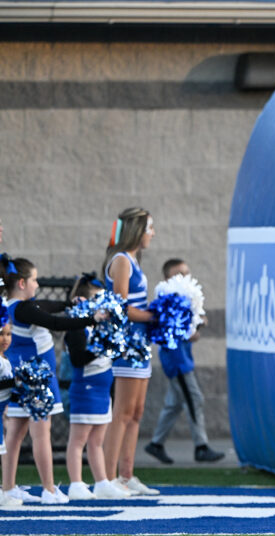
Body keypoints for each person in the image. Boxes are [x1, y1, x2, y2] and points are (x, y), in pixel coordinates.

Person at [0, 255, 104, 504]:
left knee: (14, 433)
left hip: (19, 375)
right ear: (22, 283)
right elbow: (55, 322)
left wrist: (69, 304)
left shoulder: (12, 306)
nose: (38, 285)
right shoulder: (25, 308)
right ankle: (48, 489)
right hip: (34, 377)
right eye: (35, 280)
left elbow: (46, 307)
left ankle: (8, 488)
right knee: (40, 432)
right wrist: (93, 318)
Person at [143, 259, 224, 465]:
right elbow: (168, 331)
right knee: (194, 398)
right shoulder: (166, 300)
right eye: (178, 274)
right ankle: (201, 446)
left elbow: (198, 319)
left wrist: (198, 324)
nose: (184, 278)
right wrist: (189, 333)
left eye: (186, 274)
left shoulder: (185, 298)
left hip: (184, 358)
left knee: (174, 403)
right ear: (167, 279)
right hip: (177, 361)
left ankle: (156, 443)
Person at [102, 207, 158, 497]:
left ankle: (126, 475)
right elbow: (119, 308)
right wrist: (153, 316)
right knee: (122, 412)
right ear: (136, 230)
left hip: (141, 344)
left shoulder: (134, 259)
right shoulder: (121, 260)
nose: (152, 233)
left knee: (136, 412)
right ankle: (107, 478)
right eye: (149, 228)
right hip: (126, 343)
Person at [64, 275, 127, 501]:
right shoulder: (77, 327)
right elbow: (79, 359)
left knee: (97, 440)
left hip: (101, 390)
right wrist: (104, 346)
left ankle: (101, 482)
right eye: (96, 300)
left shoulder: (99, 325)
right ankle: (76, 483)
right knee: (78, 439)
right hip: (86, 389)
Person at [0, 309, 16, 507]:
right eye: (1, 334)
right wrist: (16, 382)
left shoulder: (5, 360)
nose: (5, 338)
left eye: (8, 334)